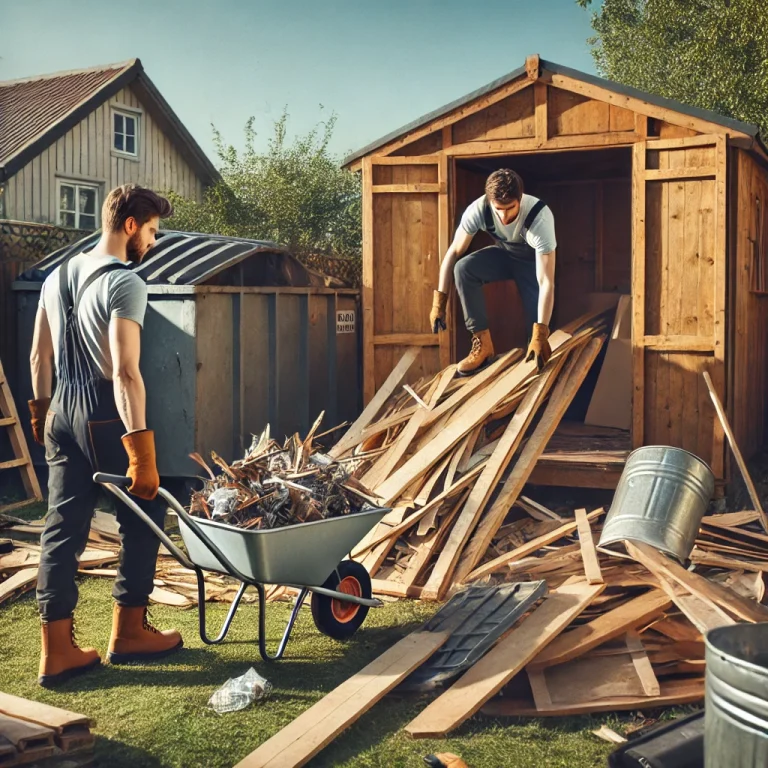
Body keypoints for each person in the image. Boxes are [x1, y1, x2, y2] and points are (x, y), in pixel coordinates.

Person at [28, 184, 182, 687]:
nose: (153, 244)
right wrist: (140, 449)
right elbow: (125, 373)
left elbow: (38, 358)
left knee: (62, 527)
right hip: (101, 411)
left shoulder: (56, 277)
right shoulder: (125, 283)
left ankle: (57, 651)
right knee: (145, 512)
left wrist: (42, 415)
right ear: (131, 226)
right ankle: (130, 633)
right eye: (153, 232)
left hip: (59, 412)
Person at [429, 168, 557, 376]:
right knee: (463, 268)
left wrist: (541, 332)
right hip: (504, 256)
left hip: (531, 266)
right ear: (490, 202)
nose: (504, 216)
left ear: (520, 199)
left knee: (536, 333)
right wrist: (439, 302)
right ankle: (483, 346)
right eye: (499, 209)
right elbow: (453, 252)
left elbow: (546, 282)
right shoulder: (478, 210)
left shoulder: (539, 217)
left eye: (511, 208)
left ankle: (534, 367)